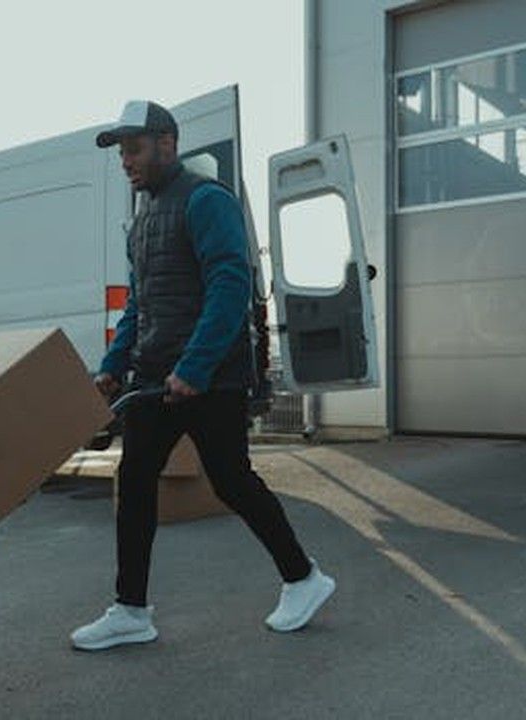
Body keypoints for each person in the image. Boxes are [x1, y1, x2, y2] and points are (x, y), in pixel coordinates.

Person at [70, 100, 336, 651]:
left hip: (209, 379)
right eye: (121, 151)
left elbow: (229, 286)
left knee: (233, 481)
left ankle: (304, 578)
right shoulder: (143, 221)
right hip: (154, 378)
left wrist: (194, 367)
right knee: (136, 484)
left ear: (167, 144)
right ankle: (131, 610)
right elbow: (140, 306)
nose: (125, 161)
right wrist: (113, 366)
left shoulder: (206, 201)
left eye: (134, 148)